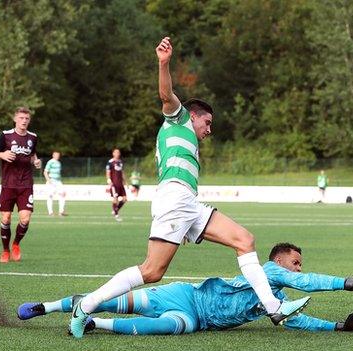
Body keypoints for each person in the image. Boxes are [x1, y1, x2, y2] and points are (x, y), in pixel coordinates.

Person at [67, 36, 309, 339]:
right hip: (175, 198)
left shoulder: (188, 139)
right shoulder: (178, 120)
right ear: (192, 116)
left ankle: (273, 307)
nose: (209, 130)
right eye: (206, 123)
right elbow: (166, 94)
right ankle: (86, 305)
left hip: (187, 203)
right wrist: (164, 62)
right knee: (152, 271)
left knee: (244, 240)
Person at [18, 243, 353, 335]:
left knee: (169, 328)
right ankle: (47, 307)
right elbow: (306, 282)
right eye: (295, 262)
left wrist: (338, 326)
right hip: (186, 296)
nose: (298, 269)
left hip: (195, 319)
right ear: (278, 262)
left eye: (299, 264)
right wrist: (347, 283)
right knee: (118, 301)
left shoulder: (277, 301)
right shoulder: (270, 271)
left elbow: (296, 322)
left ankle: (95, 326)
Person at [0, 107, 41, 263]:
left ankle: (16, 244)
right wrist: (2, 154)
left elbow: (32, 156)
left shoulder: (33, 137)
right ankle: (5, 250)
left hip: (26, 184)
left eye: (27, 118)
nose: (24, 121)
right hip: (8, 184)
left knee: (25, 219)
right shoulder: (6, 135)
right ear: (15, 119)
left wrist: (35, 161)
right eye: (21, 118)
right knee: (6, 217)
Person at [106, 148, 127, 221]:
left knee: (124, 199)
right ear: (113, 153)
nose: (118, 154)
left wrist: (125, 182)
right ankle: (116, 215)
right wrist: (108, 179)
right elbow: (108, 171)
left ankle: (115, 209)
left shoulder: (120, 162)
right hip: (114, 184)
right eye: (116, 152)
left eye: (119, 152)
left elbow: (122, 172)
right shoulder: (110, 162)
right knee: (115, 199)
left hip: (120, 184)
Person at [44, 151, 67, 216]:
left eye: (58, 155)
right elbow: (45, 172)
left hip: (58, 181)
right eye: (56, 155)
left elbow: (58, 173)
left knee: (63, 194)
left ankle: (61, 211)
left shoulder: (59, 163)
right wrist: (49, 180)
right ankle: (50, 212)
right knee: (50, 196)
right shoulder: (50, 162)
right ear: (53, 155)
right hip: (51, 181)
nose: (57, 156)